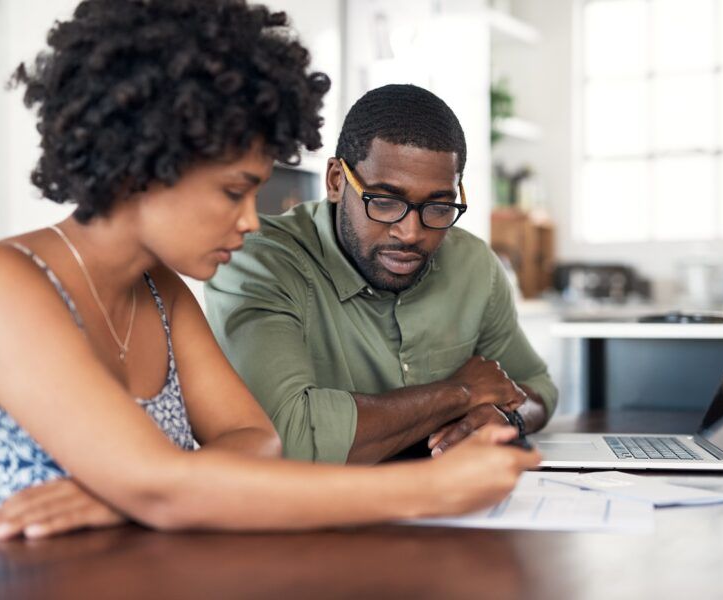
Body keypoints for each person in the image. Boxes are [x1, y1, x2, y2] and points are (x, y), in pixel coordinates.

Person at [0, 0, 540, 541]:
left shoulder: (160, 291)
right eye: (233, 191)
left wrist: (131, 492)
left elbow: (257, 444)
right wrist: (429, 491)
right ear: (144, 166)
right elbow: (160, 486)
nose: (251, 222)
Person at [206, 84, 558, 465]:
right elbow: (285, 438)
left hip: (452, 508)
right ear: (337, 181)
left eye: (439, 206)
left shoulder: (472, 263)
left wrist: (508, 417)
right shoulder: (257, 262)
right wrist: (458, 392)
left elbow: (537, 390)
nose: (411, 233)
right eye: (386, 202)